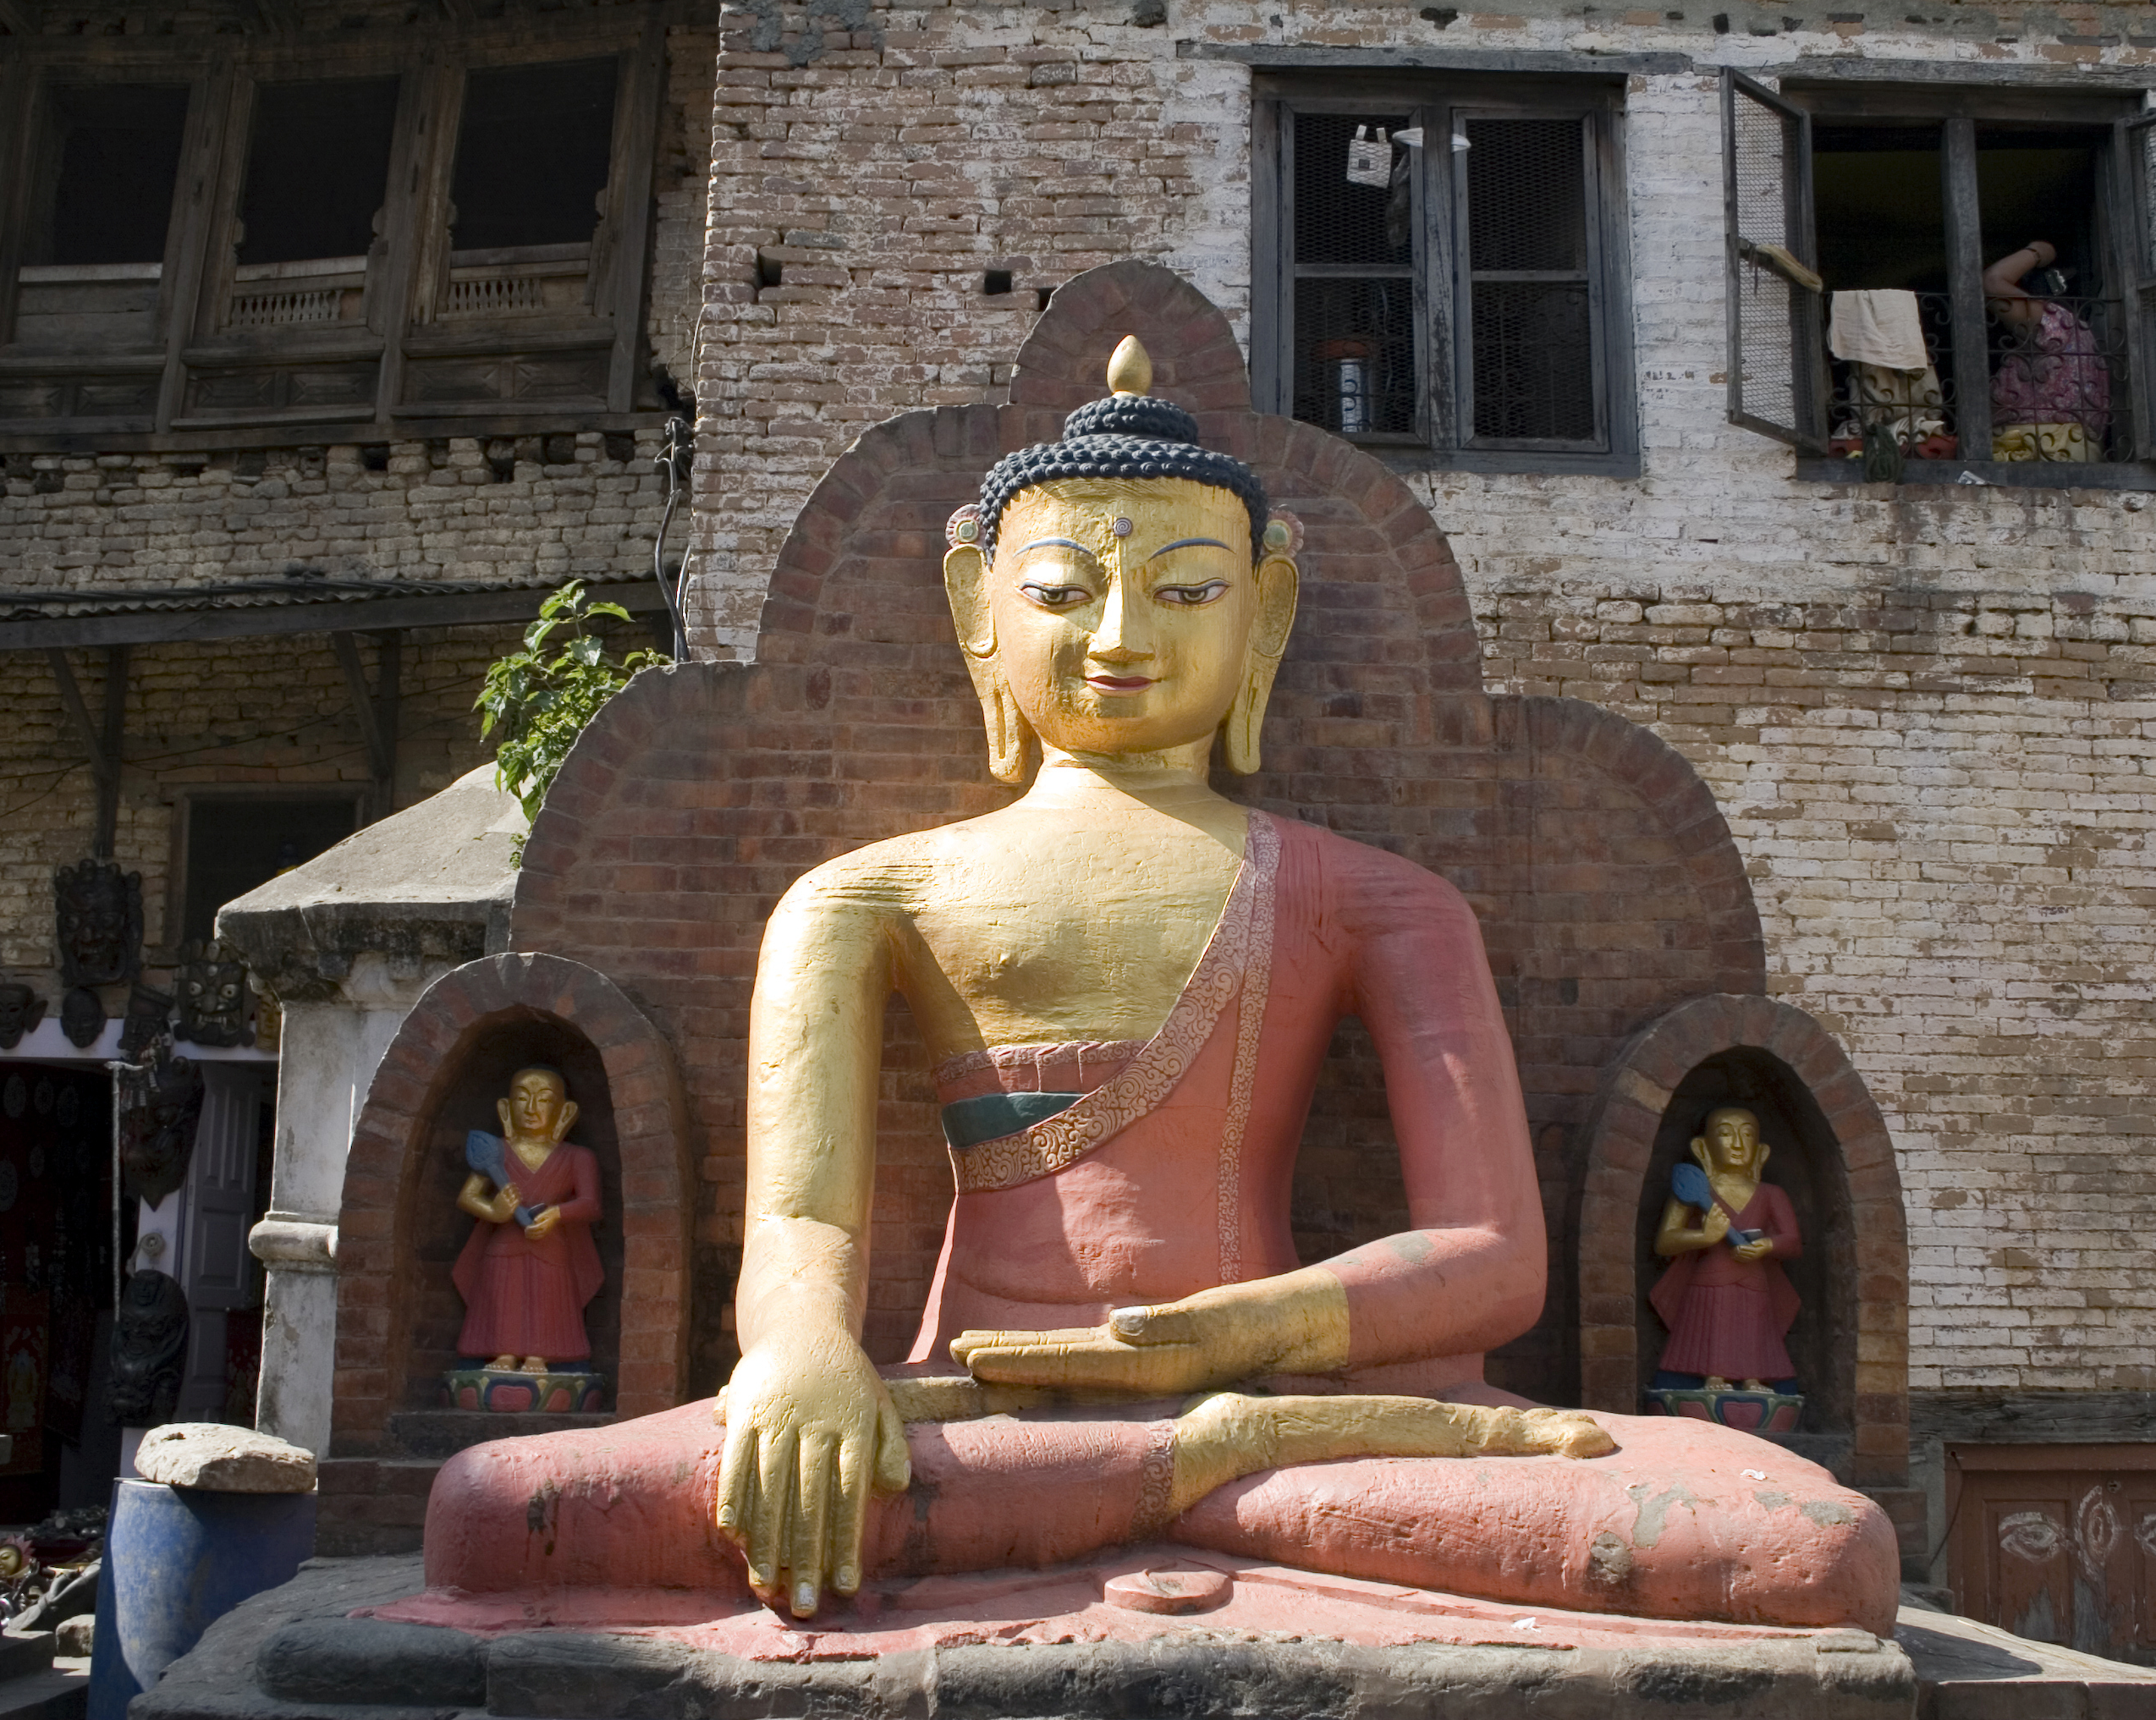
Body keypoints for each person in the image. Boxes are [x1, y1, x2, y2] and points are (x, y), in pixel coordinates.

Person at [419, 339, 1896, 1636]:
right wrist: (801, 1353)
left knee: (1809, 1542)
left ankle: (1168, 1475)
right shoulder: (863, 895)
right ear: (975, 610)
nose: (1121, 637)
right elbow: (803, 1219)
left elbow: (1494, 1257)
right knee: (495, 1506)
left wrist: (1235, 1338)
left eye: (1184, 591)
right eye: (1063, 590)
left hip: (1298, 1411)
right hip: (958, 1412)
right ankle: (1185, 1486)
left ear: (1262, 615)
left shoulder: (1378, 897)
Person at [453, 1065, 604, 1373]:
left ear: (563, 1111)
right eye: (523, 1099)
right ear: (506, 1108)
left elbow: (590, 1204)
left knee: (547, 1300)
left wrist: (556, 1214)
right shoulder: (496, 1152)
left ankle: (540, 1357)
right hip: (505, 1243)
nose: (532, 1109)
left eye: (544, 1100)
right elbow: (468, 1197)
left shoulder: (577, 1157)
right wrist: (495, 1211)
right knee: (503, 1297)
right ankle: (503, 1355)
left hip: (550, 1243)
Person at [1650, 1107, 1803, 1392]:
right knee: (1714, 1326)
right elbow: (1666, 1241)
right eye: (1725, 1134)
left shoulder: (1771, 1194)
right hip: (1709, 1279)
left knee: (1752, 1328)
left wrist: (1765, 1245)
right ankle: (1713, 1377)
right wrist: (1705, 1236)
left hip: (1755, 1279)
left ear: (1760, 1151)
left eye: (1746, 1135)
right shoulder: (1693, 1190)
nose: (1736, 1143)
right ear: (1703, 1147)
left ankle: (1753, 1379)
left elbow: (1792, 1241)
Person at [1984, 239, 2110, 461]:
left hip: (2038, 455)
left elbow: (1993, 281)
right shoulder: (2080, 334)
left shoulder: (2055, 322)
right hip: (2076, 456)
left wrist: (2038, 251)